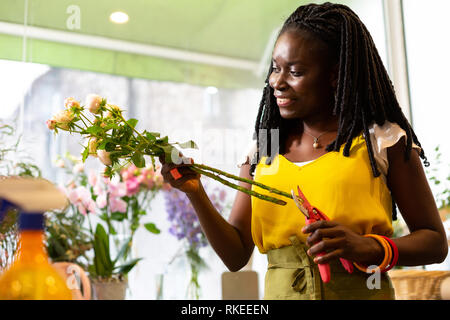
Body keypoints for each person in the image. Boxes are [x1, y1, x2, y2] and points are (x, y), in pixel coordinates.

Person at [159, 2, 448, 300]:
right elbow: (235, 256)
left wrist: (369, 247)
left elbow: (435, 243)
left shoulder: (382, 140)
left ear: (336, 75)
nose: (277, 82)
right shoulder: (265, 148)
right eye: (275, 68)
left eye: (295, 71)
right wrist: (195, 192)